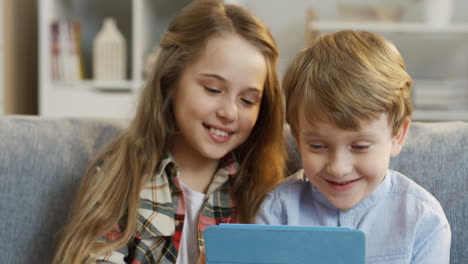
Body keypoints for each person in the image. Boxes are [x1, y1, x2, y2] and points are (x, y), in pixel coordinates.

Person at [53, 0, 286, 263]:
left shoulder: (267, 192)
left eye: (247, 101)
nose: (229, 113)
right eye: (213, 89)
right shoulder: (121, 176)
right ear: (170, 81)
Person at [255, 30, 451, 263]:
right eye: (317, 146)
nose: (338, 168)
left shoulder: (423, 220)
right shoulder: (277, 211)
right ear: (298, 139)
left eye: (359, 146)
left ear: (397, 136)